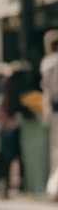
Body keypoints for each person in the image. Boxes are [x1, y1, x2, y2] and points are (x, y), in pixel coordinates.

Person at [0, 67, 28, 199]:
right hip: (9, 130)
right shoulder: (10, 95)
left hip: (8, 129)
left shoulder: (9, 95)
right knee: (10, 158)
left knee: (9, 159)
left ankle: (8, 187)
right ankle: (7, 187)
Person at [42, 30, 58, 197]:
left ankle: (54, 189)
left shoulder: (49, 62)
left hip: (56, 111)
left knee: (56, 150)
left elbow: (47, 90)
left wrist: (46, 113)